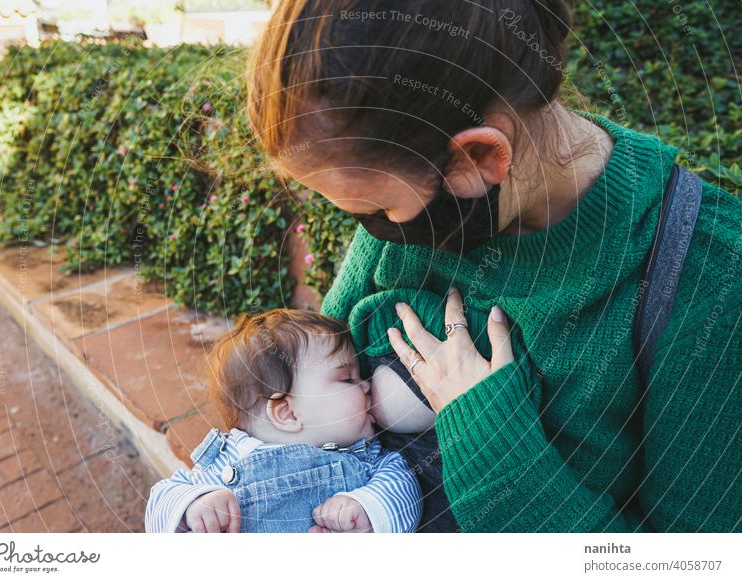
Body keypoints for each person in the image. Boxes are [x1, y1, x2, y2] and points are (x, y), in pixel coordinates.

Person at [245, 0, 742, 532]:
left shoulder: (707, 271)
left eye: (381, 211)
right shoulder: (421, 194)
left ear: (479, 158)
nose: (376, 233)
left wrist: (483, 432)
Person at [144, 309, 422, 533]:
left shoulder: (371, 460)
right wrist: (193, 505)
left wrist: (367, 509)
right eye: (347, 378)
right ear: (288, 414)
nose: (366, 386)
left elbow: (405, 492)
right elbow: (160, 500)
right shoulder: (229, 462)